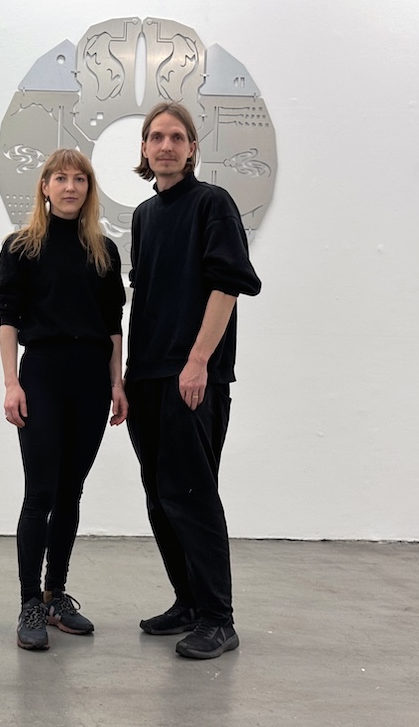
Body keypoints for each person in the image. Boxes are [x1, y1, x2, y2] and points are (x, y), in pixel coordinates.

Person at [125, 102, 261, 660]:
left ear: (192, 148)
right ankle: (187, 602)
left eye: (177, 137)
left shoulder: (212, 203)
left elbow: (227, 286)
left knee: (192, 496)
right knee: (160, 497)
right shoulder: (144, 216)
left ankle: (217, 619)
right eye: (156, 137)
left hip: (192, 376)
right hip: (147, 375)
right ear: (144, 148)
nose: (166, 145)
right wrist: (127, 378)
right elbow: (145, 298)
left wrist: (198, 361)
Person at [0, 149, 127, 651]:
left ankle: (56, 595)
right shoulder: (21, 247)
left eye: (80, 179)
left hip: (91, 379)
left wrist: (117, 383)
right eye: (61, 178)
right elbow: (8, 317)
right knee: (41, 493)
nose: (70, 187)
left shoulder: (103, 251)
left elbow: (113, 324)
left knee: (71, 492)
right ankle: (29, 600)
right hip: (43, 376)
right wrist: (12, 383)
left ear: (89, 189)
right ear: (45, 187)